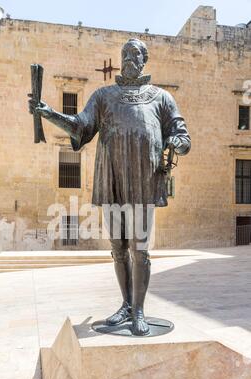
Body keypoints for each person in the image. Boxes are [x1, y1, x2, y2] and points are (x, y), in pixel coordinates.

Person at [29, 38, 191, 336]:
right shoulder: (103, 96)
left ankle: (139, 310)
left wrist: (177, 143)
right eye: (125, 53)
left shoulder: (161, 98)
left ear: (144, 60)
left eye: (135, 54)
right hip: (113, 178)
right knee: (118, 248)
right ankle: (126, 305)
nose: (129, 57)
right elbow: (81, 126)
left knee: (140, 249)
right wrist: (48, 113)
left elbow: (181, 133)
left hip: (144, 180)